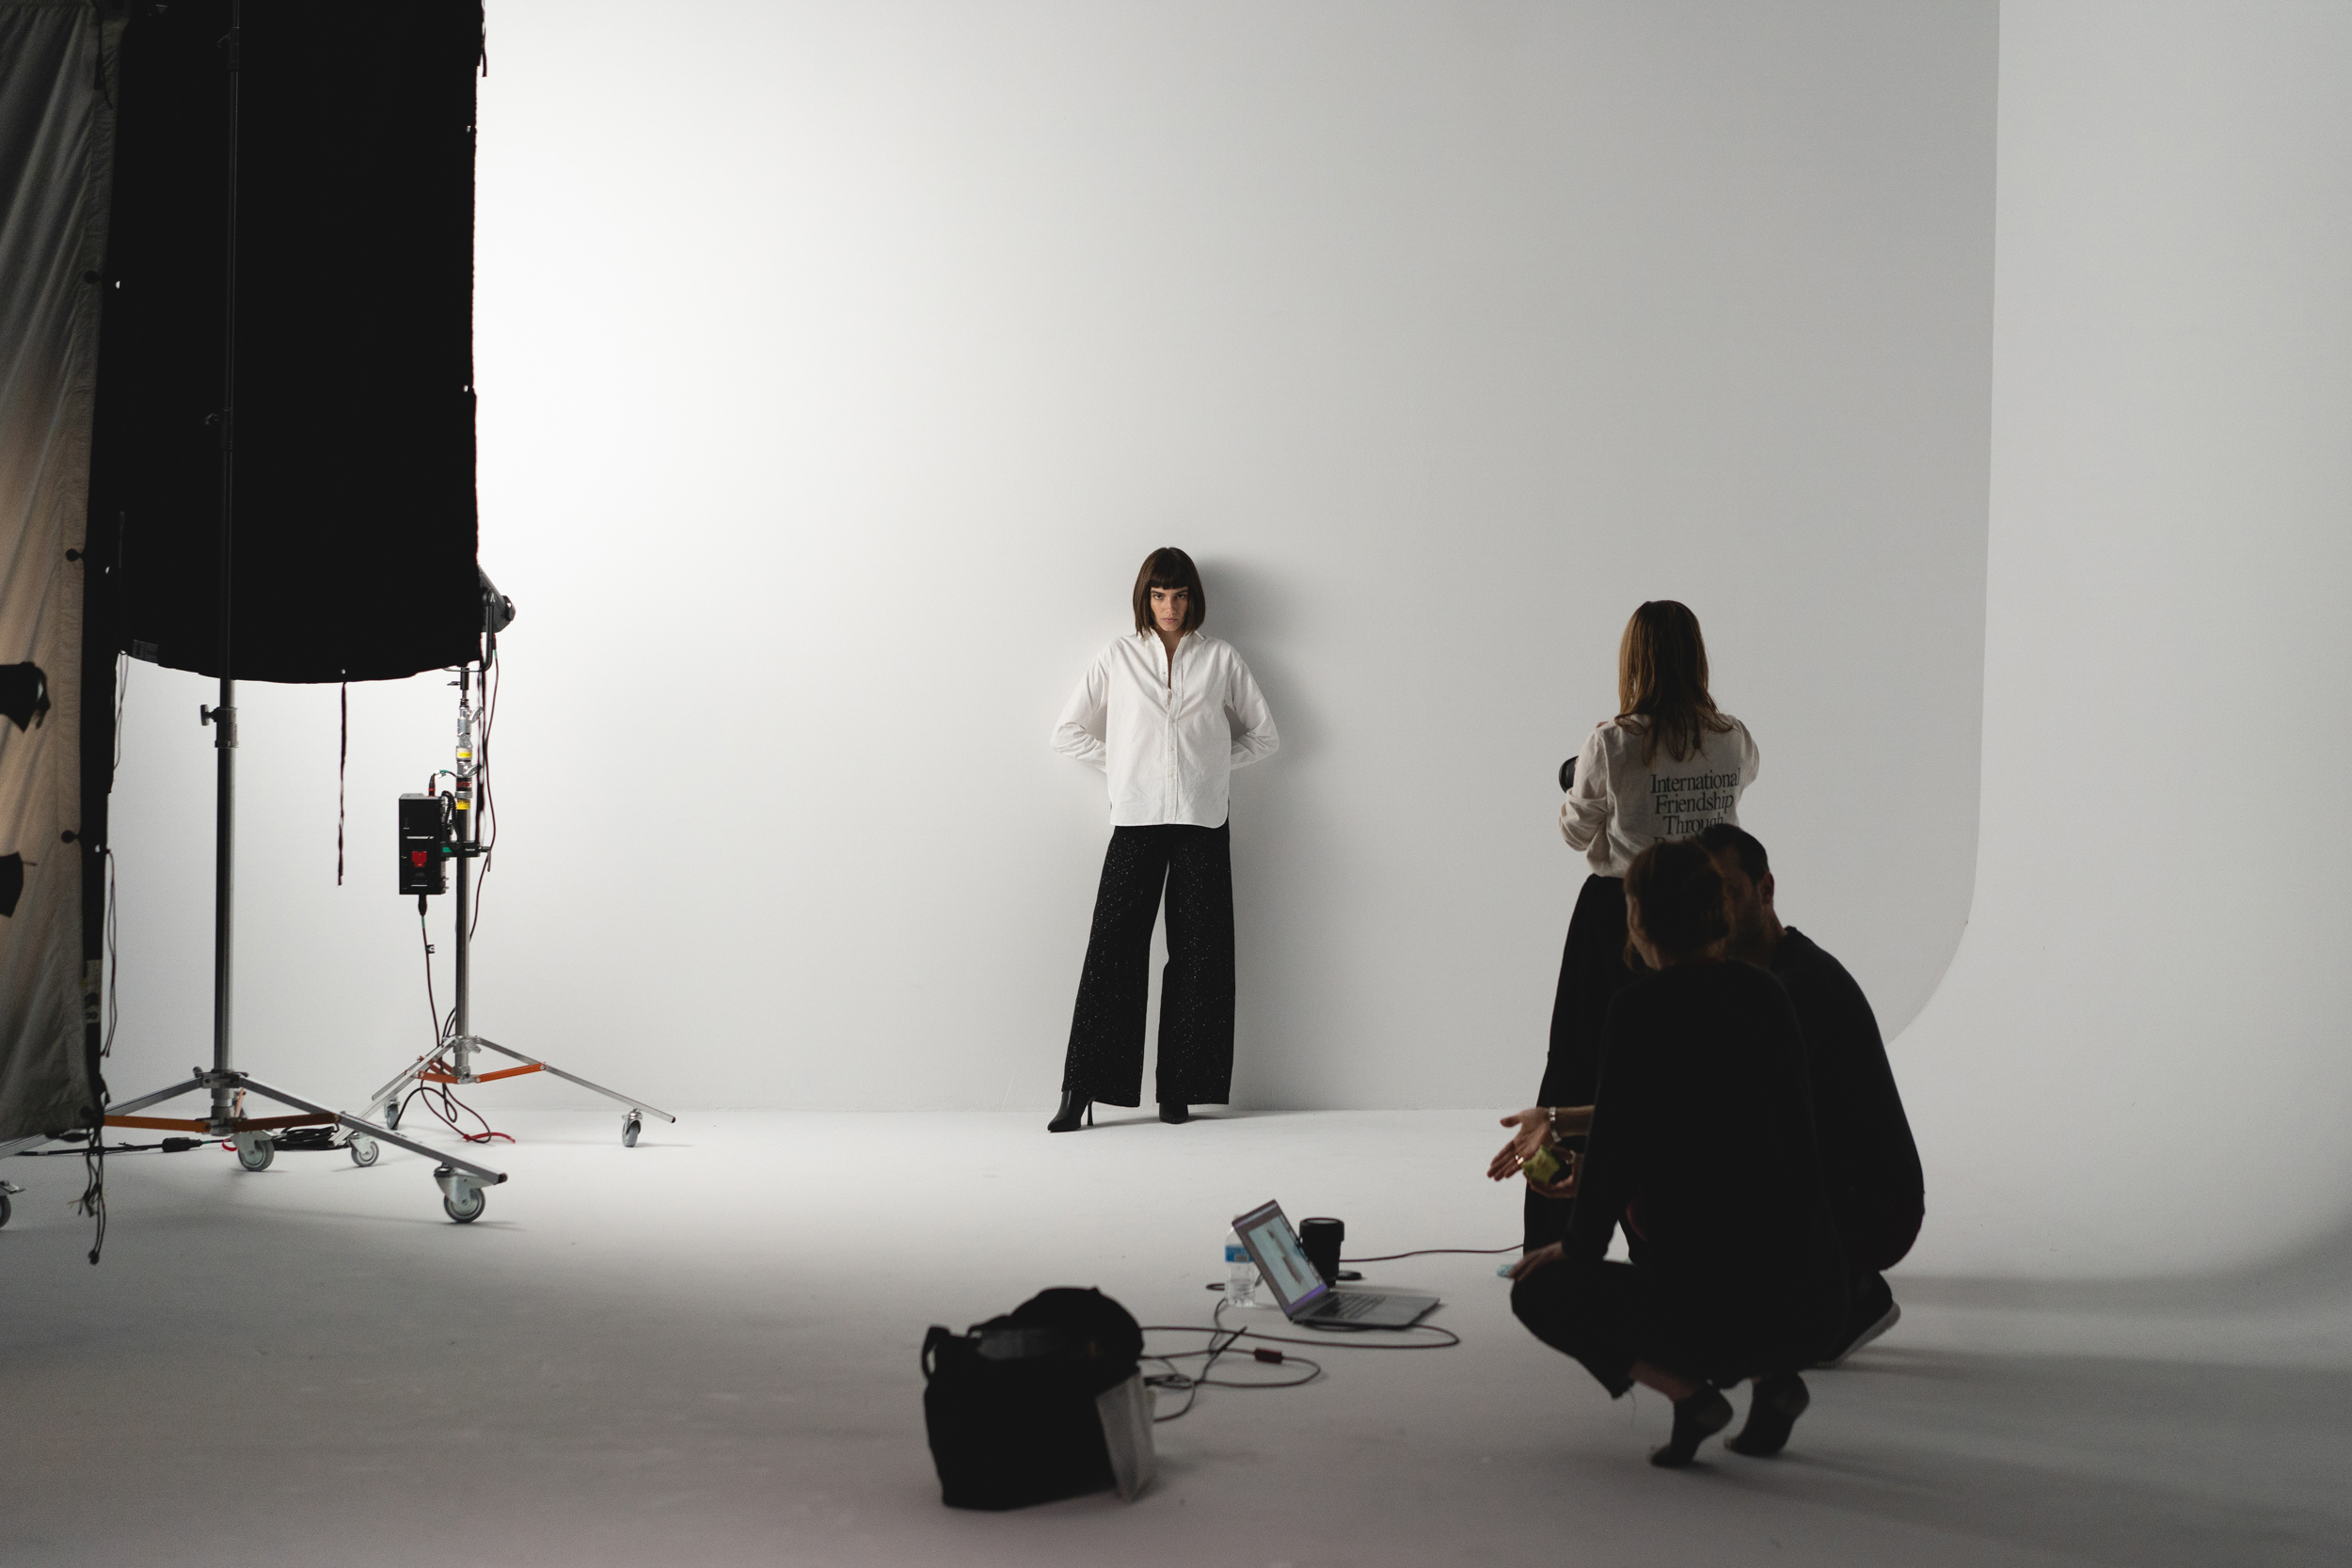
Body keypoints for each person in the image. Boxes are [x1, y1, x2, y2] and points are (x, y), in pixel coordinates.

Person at [1491, 840, 1847, 1467]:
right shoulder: (1769, 993)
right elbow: (1759, 1133)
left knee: (1535, 1290)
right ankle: (1772, 1378)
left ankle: (1691, 1395)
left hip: (1706, 1307)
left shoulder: (1638, 1008)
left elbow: (1626, 1142)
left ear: (1638, 918)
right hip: (1806, 1294)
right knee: (1726, 1241)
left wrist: (1571, 1244)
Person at [1530, 601, 1759, 1249]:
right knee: (1693, 1076)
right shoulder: (1734, 735)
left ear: (1634, 661)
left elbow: (1576, 833)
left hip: (1620, 913)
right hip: (1709, 915)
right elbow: (1741, 783)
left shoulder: (1611, 740)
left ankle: (1563, 1234)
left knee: (1580, 1069)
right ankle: (1687, 1232)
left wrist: (1582, 783)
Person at [1046, 547, 1279, 1132]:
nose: (1169, 607)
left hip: (1203, 819)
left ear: (1192, 598)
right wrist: (1123, 766)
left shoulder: (1221, 658)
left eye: (1178, 596)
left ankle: (1181, 1089)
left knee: (1199, 956)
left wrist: (1211, 770)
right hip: (1137, 818)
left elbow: (1265, 735)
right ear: (1144, 598)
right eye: (1158, 595)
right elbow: (1067, 731)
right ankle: (1083, 1089)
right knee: (1112, 952)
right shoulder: (1118, 657)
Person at [1697, 822, 1924, 1367]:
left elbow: (1706, 1102)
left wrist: (1572, 1124)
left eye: (1727, 892)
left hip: (1870, 1206)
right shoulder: (1741, 981)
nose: (1715, 912)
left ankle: (1853, 1295)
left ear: (1766, 889)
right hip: (1824, 1185)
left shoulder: (1800, 985)